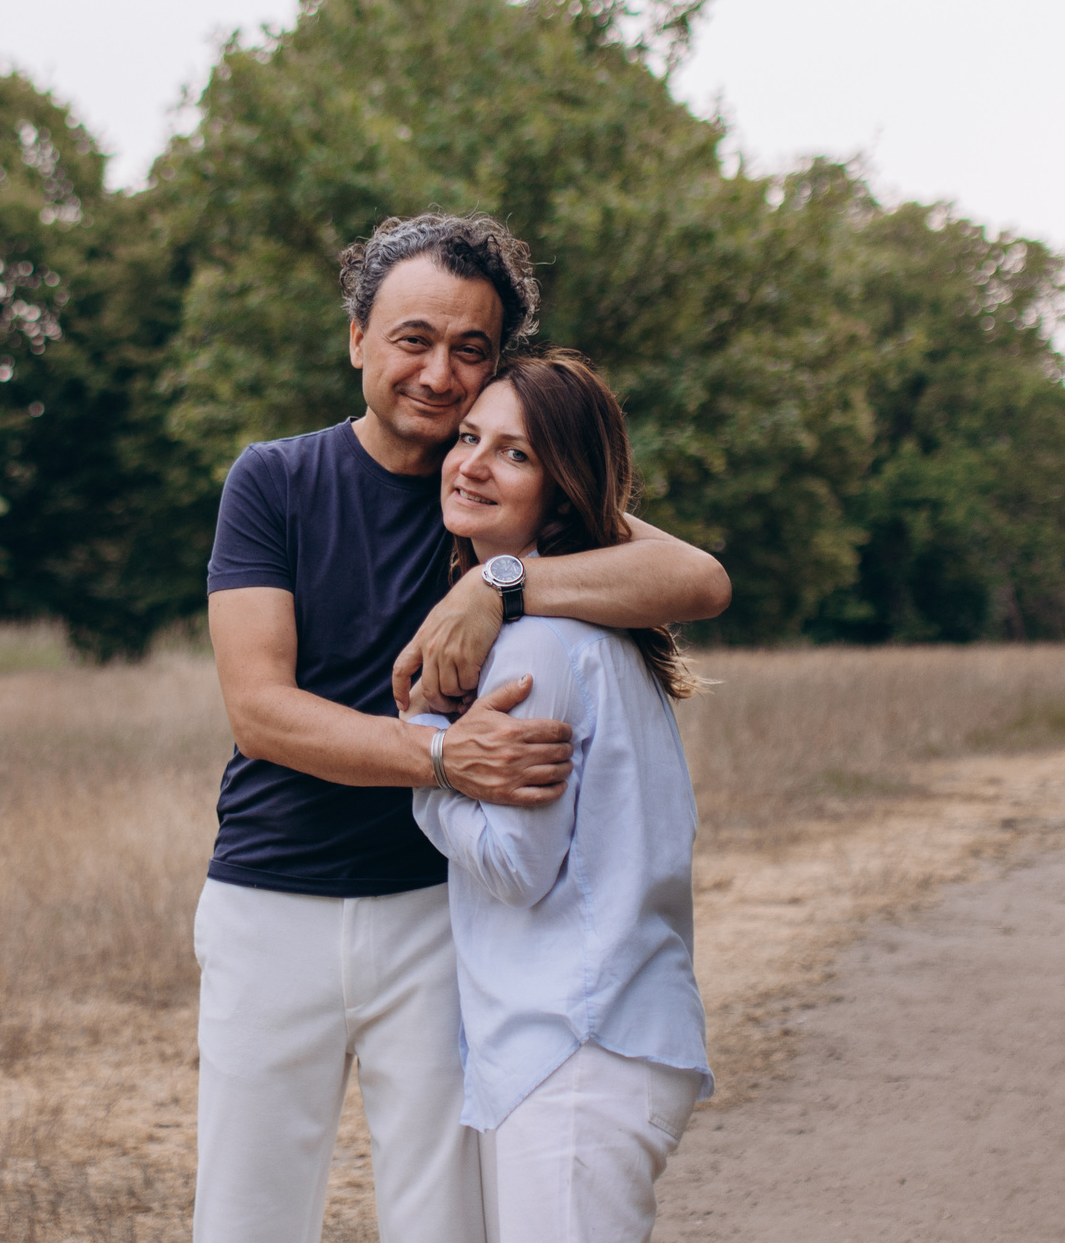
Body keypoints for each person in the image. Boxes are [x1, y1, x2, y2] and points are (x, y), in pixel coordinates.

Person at [200, 214, 728, 1243]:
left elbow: (696, 579)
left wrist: (502, 581)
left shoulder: (493, 491)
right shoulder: (274, 481)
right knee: (245, 1219)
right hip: (269, 900)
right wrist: (443, 756)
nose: (439, 376)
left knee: (442, 1224)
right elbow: (259, 712)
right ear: (356, 337)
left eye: (471, 349)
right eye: (411, 339)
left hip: (436, 921)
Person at [408, 349, 712, 1243]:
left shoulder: (538, 644)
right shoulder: (586, 630)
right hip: (588, 1043)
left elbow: (516, 866)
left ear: (563, 490)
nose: (470, 463)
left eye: (514, 453)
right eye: (469, 438)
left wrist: (431, 757)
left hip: (578, 1048)